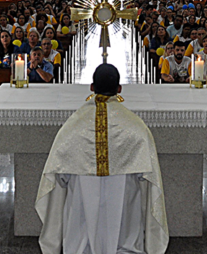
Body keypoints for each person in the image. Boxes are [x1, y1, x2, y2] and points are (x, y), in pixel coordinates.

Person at [36, 63, 168, 254]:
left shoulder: (73, 126)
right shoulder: (135, 127)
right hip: (125, 201)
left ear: (91, 87)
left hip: (81, 199)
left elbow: (56, 176)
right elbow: (149, 179)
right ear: (119, 89)